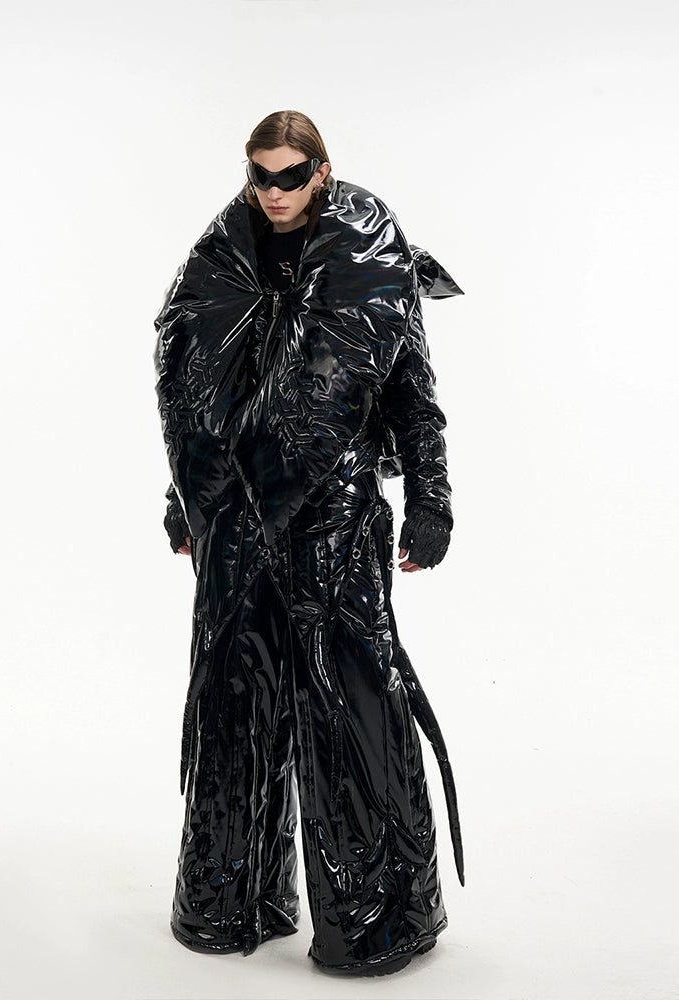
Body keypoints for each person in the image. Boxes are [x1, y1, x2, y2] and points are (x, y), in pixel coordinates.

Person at [153, 109, 465, 977]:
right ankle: (230, 900)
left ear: (322, 171)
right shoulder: (222, 260)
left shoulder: (370, 258)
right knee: (234, 694)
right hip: (239, 513)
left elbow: (411, 391)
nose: (274, 192)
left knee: (348, 700)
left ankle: (379, 919)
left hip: (336, 509)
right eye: (261, 175)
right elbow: (208, 394)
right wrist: (185, 498)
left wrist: (431, 501)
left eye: (291, 175)